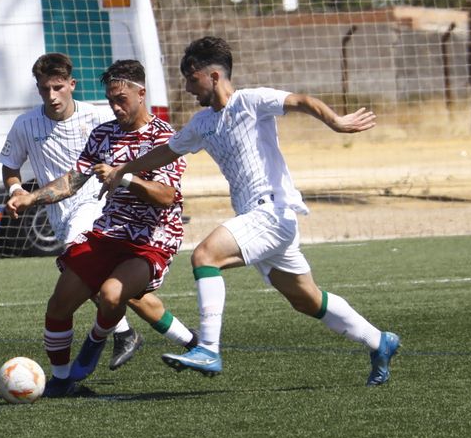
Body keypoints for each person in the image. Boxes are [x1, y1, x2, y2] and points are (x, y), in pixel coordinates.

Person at [105, 36, 401, 386]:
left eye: (191, 78)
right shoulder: (202, 123)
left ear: (214, 76)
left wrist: (335, 121)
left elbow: (302, 101)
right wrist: (123, 170)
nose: (187, 88)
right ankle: (379, 342)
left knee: (204, 256)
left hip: (272, 212)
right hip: (255, 219)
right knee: (306, 300)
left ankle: (208, 349)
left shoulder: (251, 101)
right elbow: (165, 152)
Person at [0, 53, 197, 371]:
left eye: (121, 100)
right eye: (111, 100)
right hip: (108, 230)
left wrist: (124, 176)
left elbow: (166, 196)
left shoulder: (164, 137)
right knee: (60, 303)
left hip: (151, 237)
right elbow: (72, 181)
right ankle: (62, 379)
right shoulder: (104, 133)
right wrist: (28, 197)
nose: (115, 107)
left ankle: (102, 340)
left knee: (111, 293)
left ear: (141, 94)